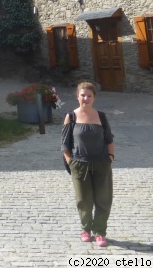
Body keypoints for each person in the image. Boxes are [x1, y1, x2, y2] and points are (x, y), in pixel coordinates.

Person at [62, 81, 115, 247]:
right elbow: (65, 144)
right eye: (82, 95)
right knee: (84, 200)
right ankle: (86, 229)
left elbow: (109, 140)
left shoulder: (101, 116)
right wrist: (71, 162)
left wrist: (110, 157)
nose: (86, 98)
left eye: (89, 96)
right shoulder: (71, 117)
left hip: (101, 163)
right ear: (77, 97)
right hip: (80, 164)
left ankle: (99, 232)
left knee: (103, 199)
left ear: (94, 98)